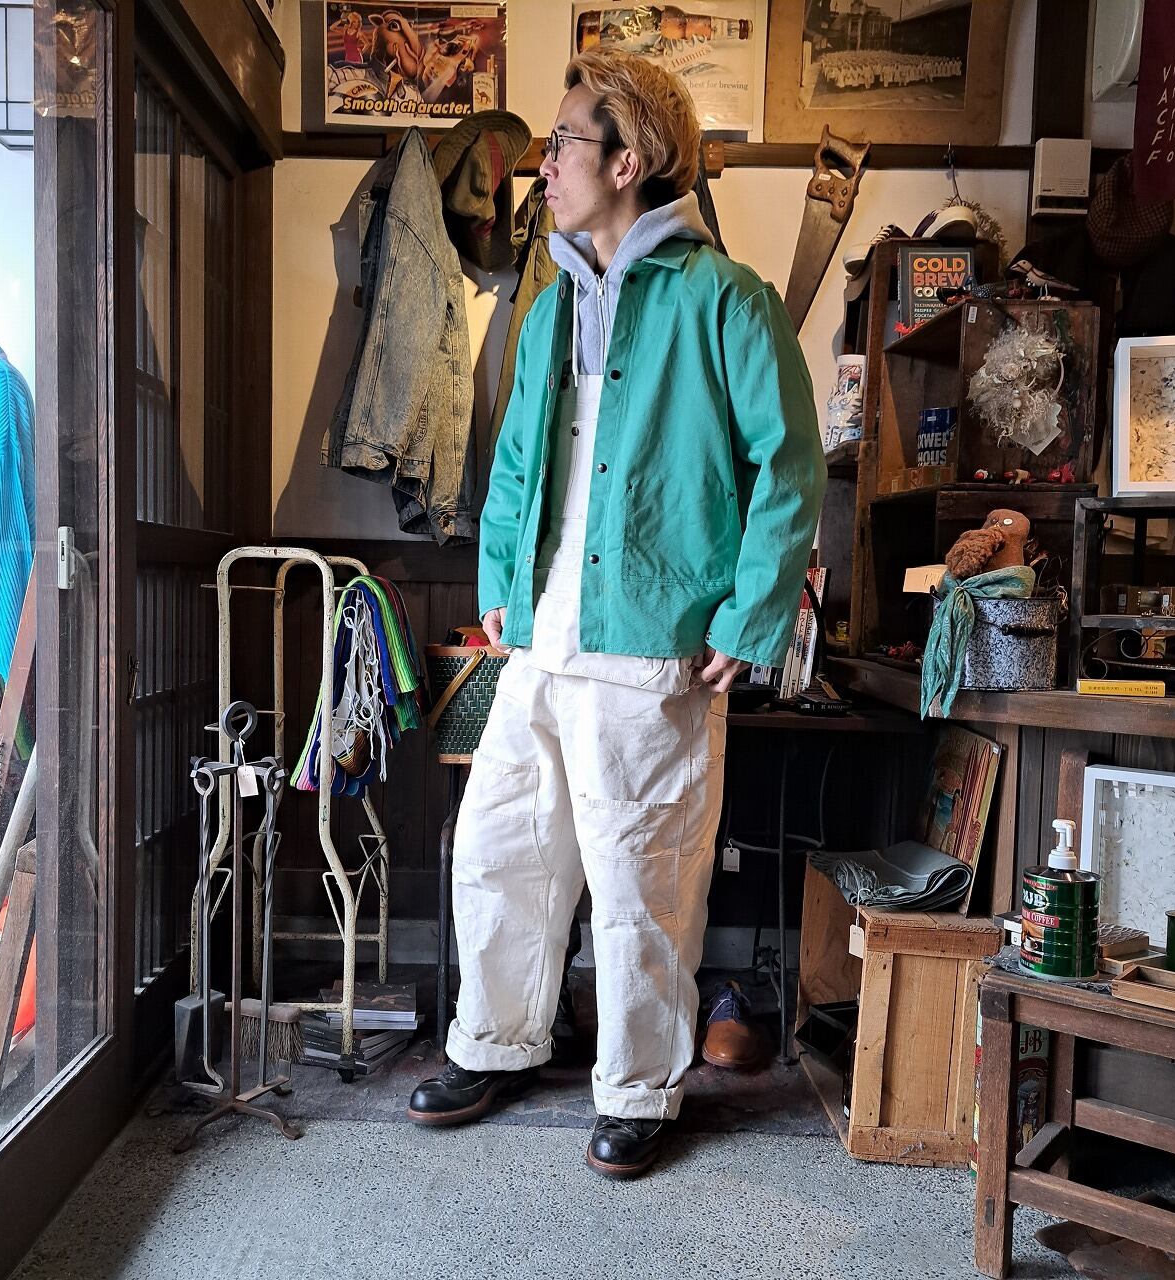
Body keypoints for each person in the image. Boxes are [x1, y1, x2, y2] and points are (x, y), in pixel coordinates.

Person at [407, 49, 825, 1179]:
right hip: (540, 637)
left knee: (642, 878)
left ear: (627, 158)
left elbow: (789, 467)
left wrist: (750, 615)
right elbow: (514, 463)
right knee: (499, 847)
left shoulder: (727, 299)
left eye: (561, 144)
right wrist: (498, 581)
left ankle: (639, 1088)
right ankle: (494, 1042)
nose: (541, 165)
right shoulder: (548, 308)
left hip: (653, 640)